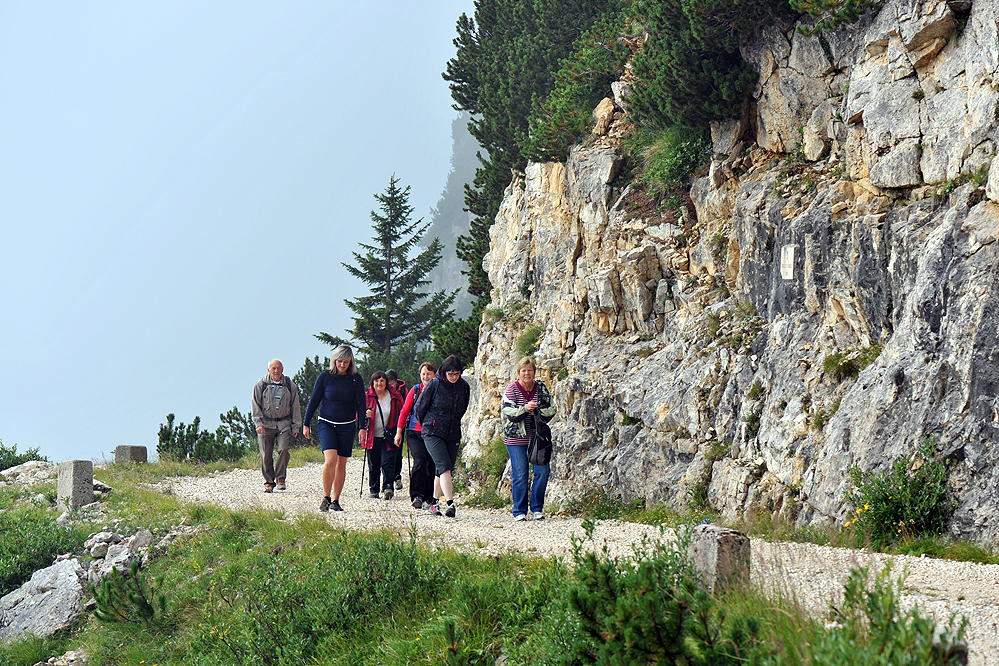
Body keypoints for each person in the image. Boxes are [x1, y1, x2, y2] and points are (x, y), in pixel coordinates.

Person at [303, 345, 367, 512]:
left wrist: (362, 427)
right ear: (334, 361)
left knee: (341, 464)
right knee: (330, 460)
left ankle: (336, 500)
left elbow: (361, 404)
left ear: (350, 362)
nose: (342, 365)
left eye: (346, 362)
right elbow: (314, 400)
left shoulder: (356, 379)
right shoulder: (325, 377)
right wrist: (306, 422)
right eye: (339, 361)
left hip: (347, 425)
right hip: (326, 423)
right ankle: (326, 497)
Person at [414, 355, 470, 518]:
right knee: (445, 467)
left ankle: (434, 503)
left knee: (442, 469)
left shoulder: (464, 386)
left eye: (457, 374)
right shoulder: (434, 384)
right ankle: (450, 503)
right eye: (450, 374)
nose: (454, 377)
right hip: (432, 432)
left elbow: (463, 408)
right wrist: (429, 423)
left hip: (452, 432)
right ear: (444, 372)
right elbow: (420, 408)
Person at [502, 357, 556, 521]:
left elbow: (552, 408)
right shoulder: (512, 388)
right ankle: (519, 511)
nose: (527, 373)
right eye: (523, 371)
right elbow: (508, 411)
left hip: (537, 438)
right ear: (518, 373)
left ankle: (537, 508)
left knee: (543, 471)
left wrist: (537, 411)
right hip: (516, 439)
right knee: (520, 474)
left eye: (530, 370)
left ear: (534, 372)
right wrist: (525, 409)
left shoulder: (541, 388)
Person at [251, 359, 303, 493]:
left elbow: (295, 406)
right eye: (273, 368)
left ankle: (280, 479)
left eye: (278, 368)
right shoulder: (260, 385)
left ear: (282, 369)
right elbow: (255, 404)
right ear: (268, 370)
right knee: (266, 454)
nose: (276, 371)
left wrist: (296, 426)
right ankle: (269, 482)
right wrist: (258, 423)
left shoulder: (290, 385)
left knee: (283, 450)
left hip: (284, 423)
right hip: (265, 424)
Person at [395, 362, 436, 509]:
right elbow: (404, 411)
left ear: (435, 375)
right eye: (423, 374)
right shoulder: (415, 390)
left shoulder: (438, 390)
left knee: (430, 464)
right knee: (419, 461)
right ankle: (416, 495)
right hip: (415, 432)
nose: (425, 377)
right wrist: (399, 432)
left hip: (432, 433)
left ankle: (428, 497)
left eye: (428, 374)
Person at [363, 371, 403, 499]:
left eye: (382, 381)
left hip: (389, 434)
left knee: (388, 462)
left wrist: (401, 428)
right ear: (372, 383)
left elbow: (401, 412)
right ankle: (374, 489)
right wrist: (365, 415)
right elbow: (358, 414)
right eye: (376, 381)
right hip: (372, 435)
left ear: (386, 383)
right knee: (373, 463)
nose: (379, 383)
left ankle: (388, 487)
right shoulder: (367, 397)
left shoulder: (394, 396)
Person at [385, 369, 406, 491]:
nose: (389, 387)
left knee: (398, 452)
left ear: (396, 382)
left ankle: (397, 477)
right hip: (385, 425)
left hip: (399, 425)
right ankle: (387, 480)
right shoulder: (382, 390)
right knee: (387, 453)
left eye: (392, 384)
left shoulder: (403, 391)